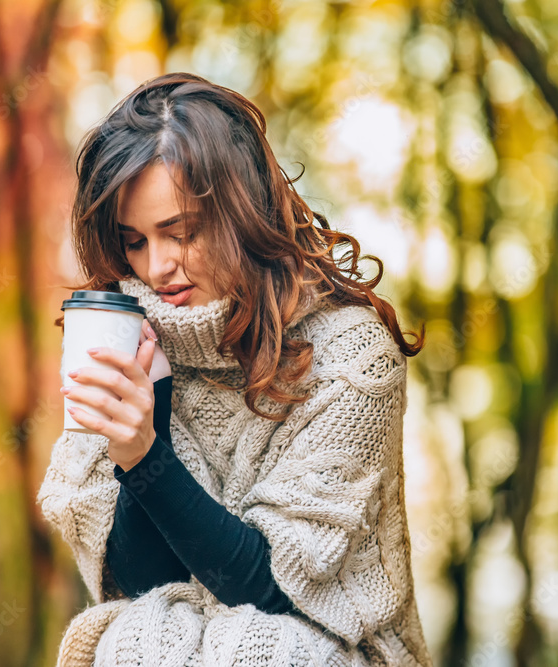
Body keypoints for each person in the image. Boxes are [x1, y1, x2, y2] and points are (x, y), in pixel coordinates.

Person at [36, 72, 433, 666]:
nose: (158, 267)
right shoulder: (130, 337)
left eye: (182, 232)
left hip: (334, 650)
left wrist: (148, 457)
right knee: (131, 638)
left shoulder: (353, 359)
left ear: (244, 211)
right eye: (135, 241)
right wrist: (147, 420)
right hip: (185, 646)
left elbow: (271, 590)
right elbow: (142, 587)